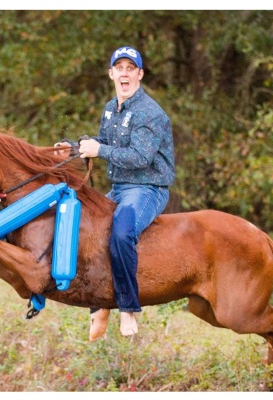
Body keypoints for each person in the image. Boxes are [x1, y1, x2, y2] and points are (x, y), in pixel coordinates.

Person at [60, 46, 175, 339]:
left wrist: (100, 150)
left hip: (148, 187)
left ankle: (128, 308)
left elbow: (140, 157)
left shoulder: (149, 112)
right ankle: (99, 307)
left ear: (139, 74)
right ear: (111, 74)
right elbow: (104, 141)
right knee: (86, 228)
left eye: (130, 68)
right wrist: (78, 147)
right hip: (120, 188)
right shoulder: (111, 108)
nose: (124, 73)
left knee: (122, 233)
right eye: (119, 68)